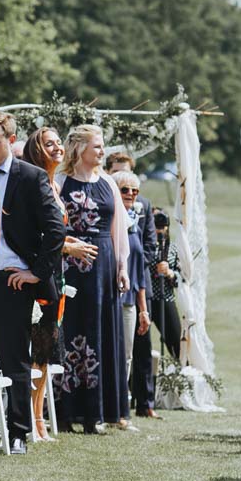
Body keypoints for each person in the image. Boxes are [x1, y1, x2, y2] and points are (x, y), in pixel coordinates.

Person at [0, 112, 68, 453]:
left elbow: (55, 228)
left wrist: (36, 273)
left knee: (13, 356)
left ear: (11, 141)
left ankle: (17, 431)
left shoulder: (29, 176)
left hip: (13, 279)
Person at [58, 124, 129, 435]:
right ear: (79, 149)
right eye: (97, 147)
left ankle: (98, 412)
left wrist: (122, 266)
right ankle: (65, 410)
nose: (102, 152)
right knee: (71, 330)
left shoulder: (109, 184)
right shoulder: (60, 181)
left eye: (102, 146)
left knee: (101, 332)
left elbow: (119, 229)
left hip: (103, 266)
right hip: (69, 266)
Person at [23, 126, 76, 439]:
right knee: (36, 347)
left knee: (47, 347)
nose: (57, 147)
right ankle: (30, 418)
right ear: (36, 149)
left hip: (58, 275)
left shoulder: (55, 185)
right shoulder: (34, 183)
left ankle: (40, 416)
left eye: (58, 143)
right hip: (41, 275)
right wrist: (69, 246)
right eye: (49, 144)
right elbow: (40, 235)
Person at [112, 170, 151, 430]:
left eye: (134, 191)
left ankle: (121, 410)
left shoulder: (134, 224)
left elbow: (139, 271)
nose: (130, 195)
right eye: (124, 190)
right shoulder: (113, 221)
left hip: (129, 301)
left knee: (126, 356)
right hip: (110, 296)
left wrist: (143, 309)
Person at [146, 208, 181, 412]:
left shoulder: (172, 248)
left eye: (163, 225)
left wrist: (169, 273)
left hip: (165, 298)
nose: (159, 229)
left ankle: (176, 385)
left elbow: (181, 281)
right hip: (148, 298)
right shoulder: (147, 245)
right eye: (155, 225)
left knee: (175, 341)